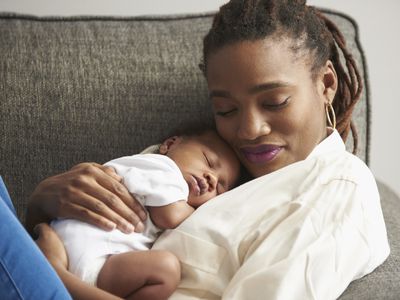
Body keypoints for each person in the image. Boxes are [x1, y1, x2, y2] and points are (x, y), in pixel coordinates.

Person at [28, 0, 389, 299]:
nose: (249, 130)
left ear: (326, 83)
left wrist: (55, 278)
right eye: (226, 110)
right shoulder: (204, 157)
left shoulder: (333, 188)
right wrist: (43, 202)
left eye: (276, 101)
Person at [49, 127, 240, 299]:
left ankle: (62, 278)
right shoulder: (162, 167)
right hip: (88, 251)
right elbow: (169, 216)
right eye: (208, 161)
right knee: (166, 268)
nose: (212, 178)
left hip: (77, 247)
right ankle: (62, 278)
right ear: (169, 144)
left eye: (220, 188)